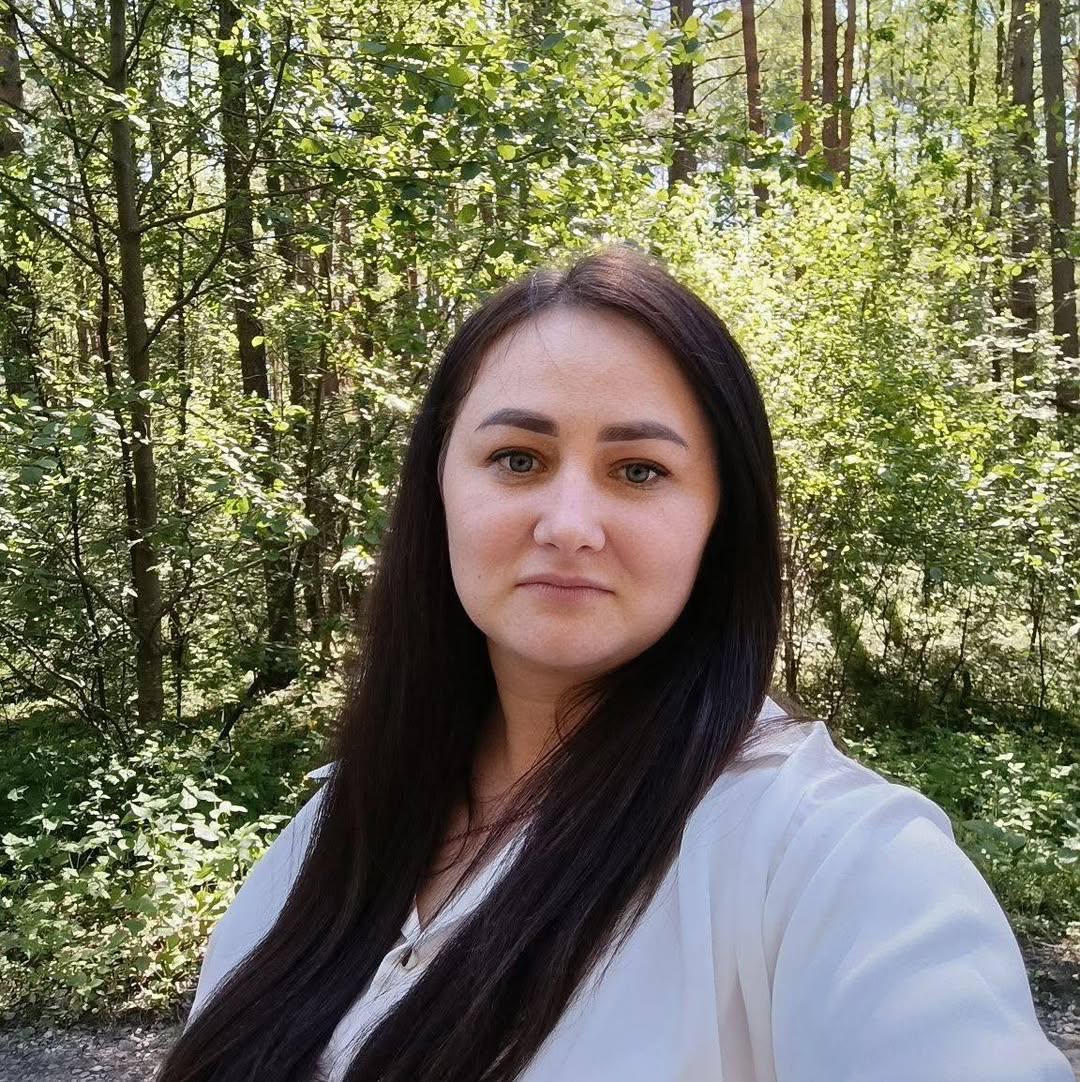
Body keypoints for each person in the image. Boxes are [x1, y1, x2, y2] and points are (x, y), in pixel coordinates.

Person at [157, 245, 1073, 1082]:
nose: (568, 525)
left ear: (720, 521)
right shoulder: (336, 827)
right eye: (517, 459)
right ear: (439, 490)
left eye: (638, 471)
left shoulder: (830, 859)